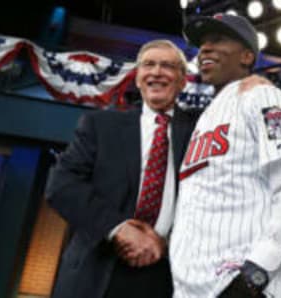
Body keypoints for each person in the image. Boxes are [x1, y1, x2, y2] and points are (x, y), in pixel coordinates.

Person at [170, 14, 281, 298]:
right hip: (193, 287)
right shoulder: (206, 117)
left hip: (244, 286)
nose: (205, 49)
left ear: (247, 56)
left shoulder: (264, 98)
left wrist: (255, 274)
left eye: (218, 40)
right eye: (202, 43)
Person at [45, 39, 198, 298]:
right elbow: (61, 185)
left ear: (183, 80)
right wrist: (118, 228)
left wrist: (166, 243)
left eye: (167, 66)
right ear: (137, 77)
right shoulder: (100, 125)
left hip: (166, 275)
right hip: (95, 271)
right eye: (148, 65)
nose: (157, 72)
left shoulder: (201, 130)